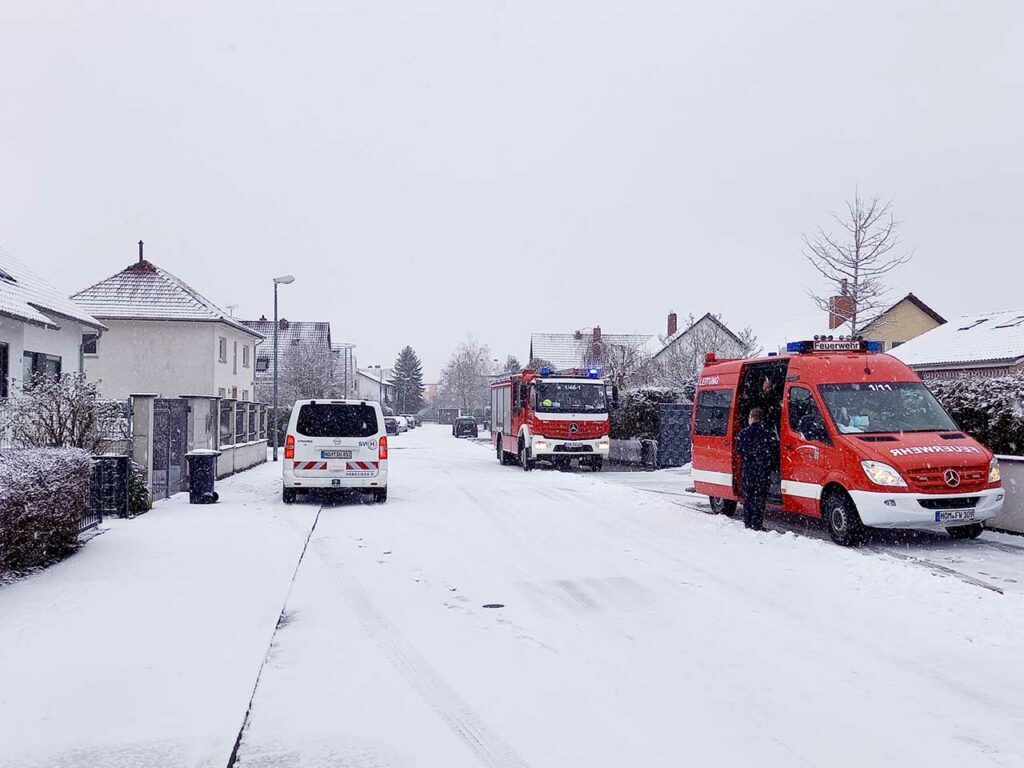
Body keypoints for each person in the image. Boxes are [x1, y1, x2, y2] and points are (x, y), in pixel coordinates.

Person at [735, 407, 774, 531]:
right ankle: (757, 524)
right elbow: (772, 450)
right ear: (761, 419)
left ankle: (748, 523)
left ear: (751, 418)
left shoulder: (743, 433)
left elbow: (738, 449)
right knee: (760, 499)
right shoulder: (768, 433)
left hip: (749, 469)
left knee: (749, 497)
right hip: (762, 469)